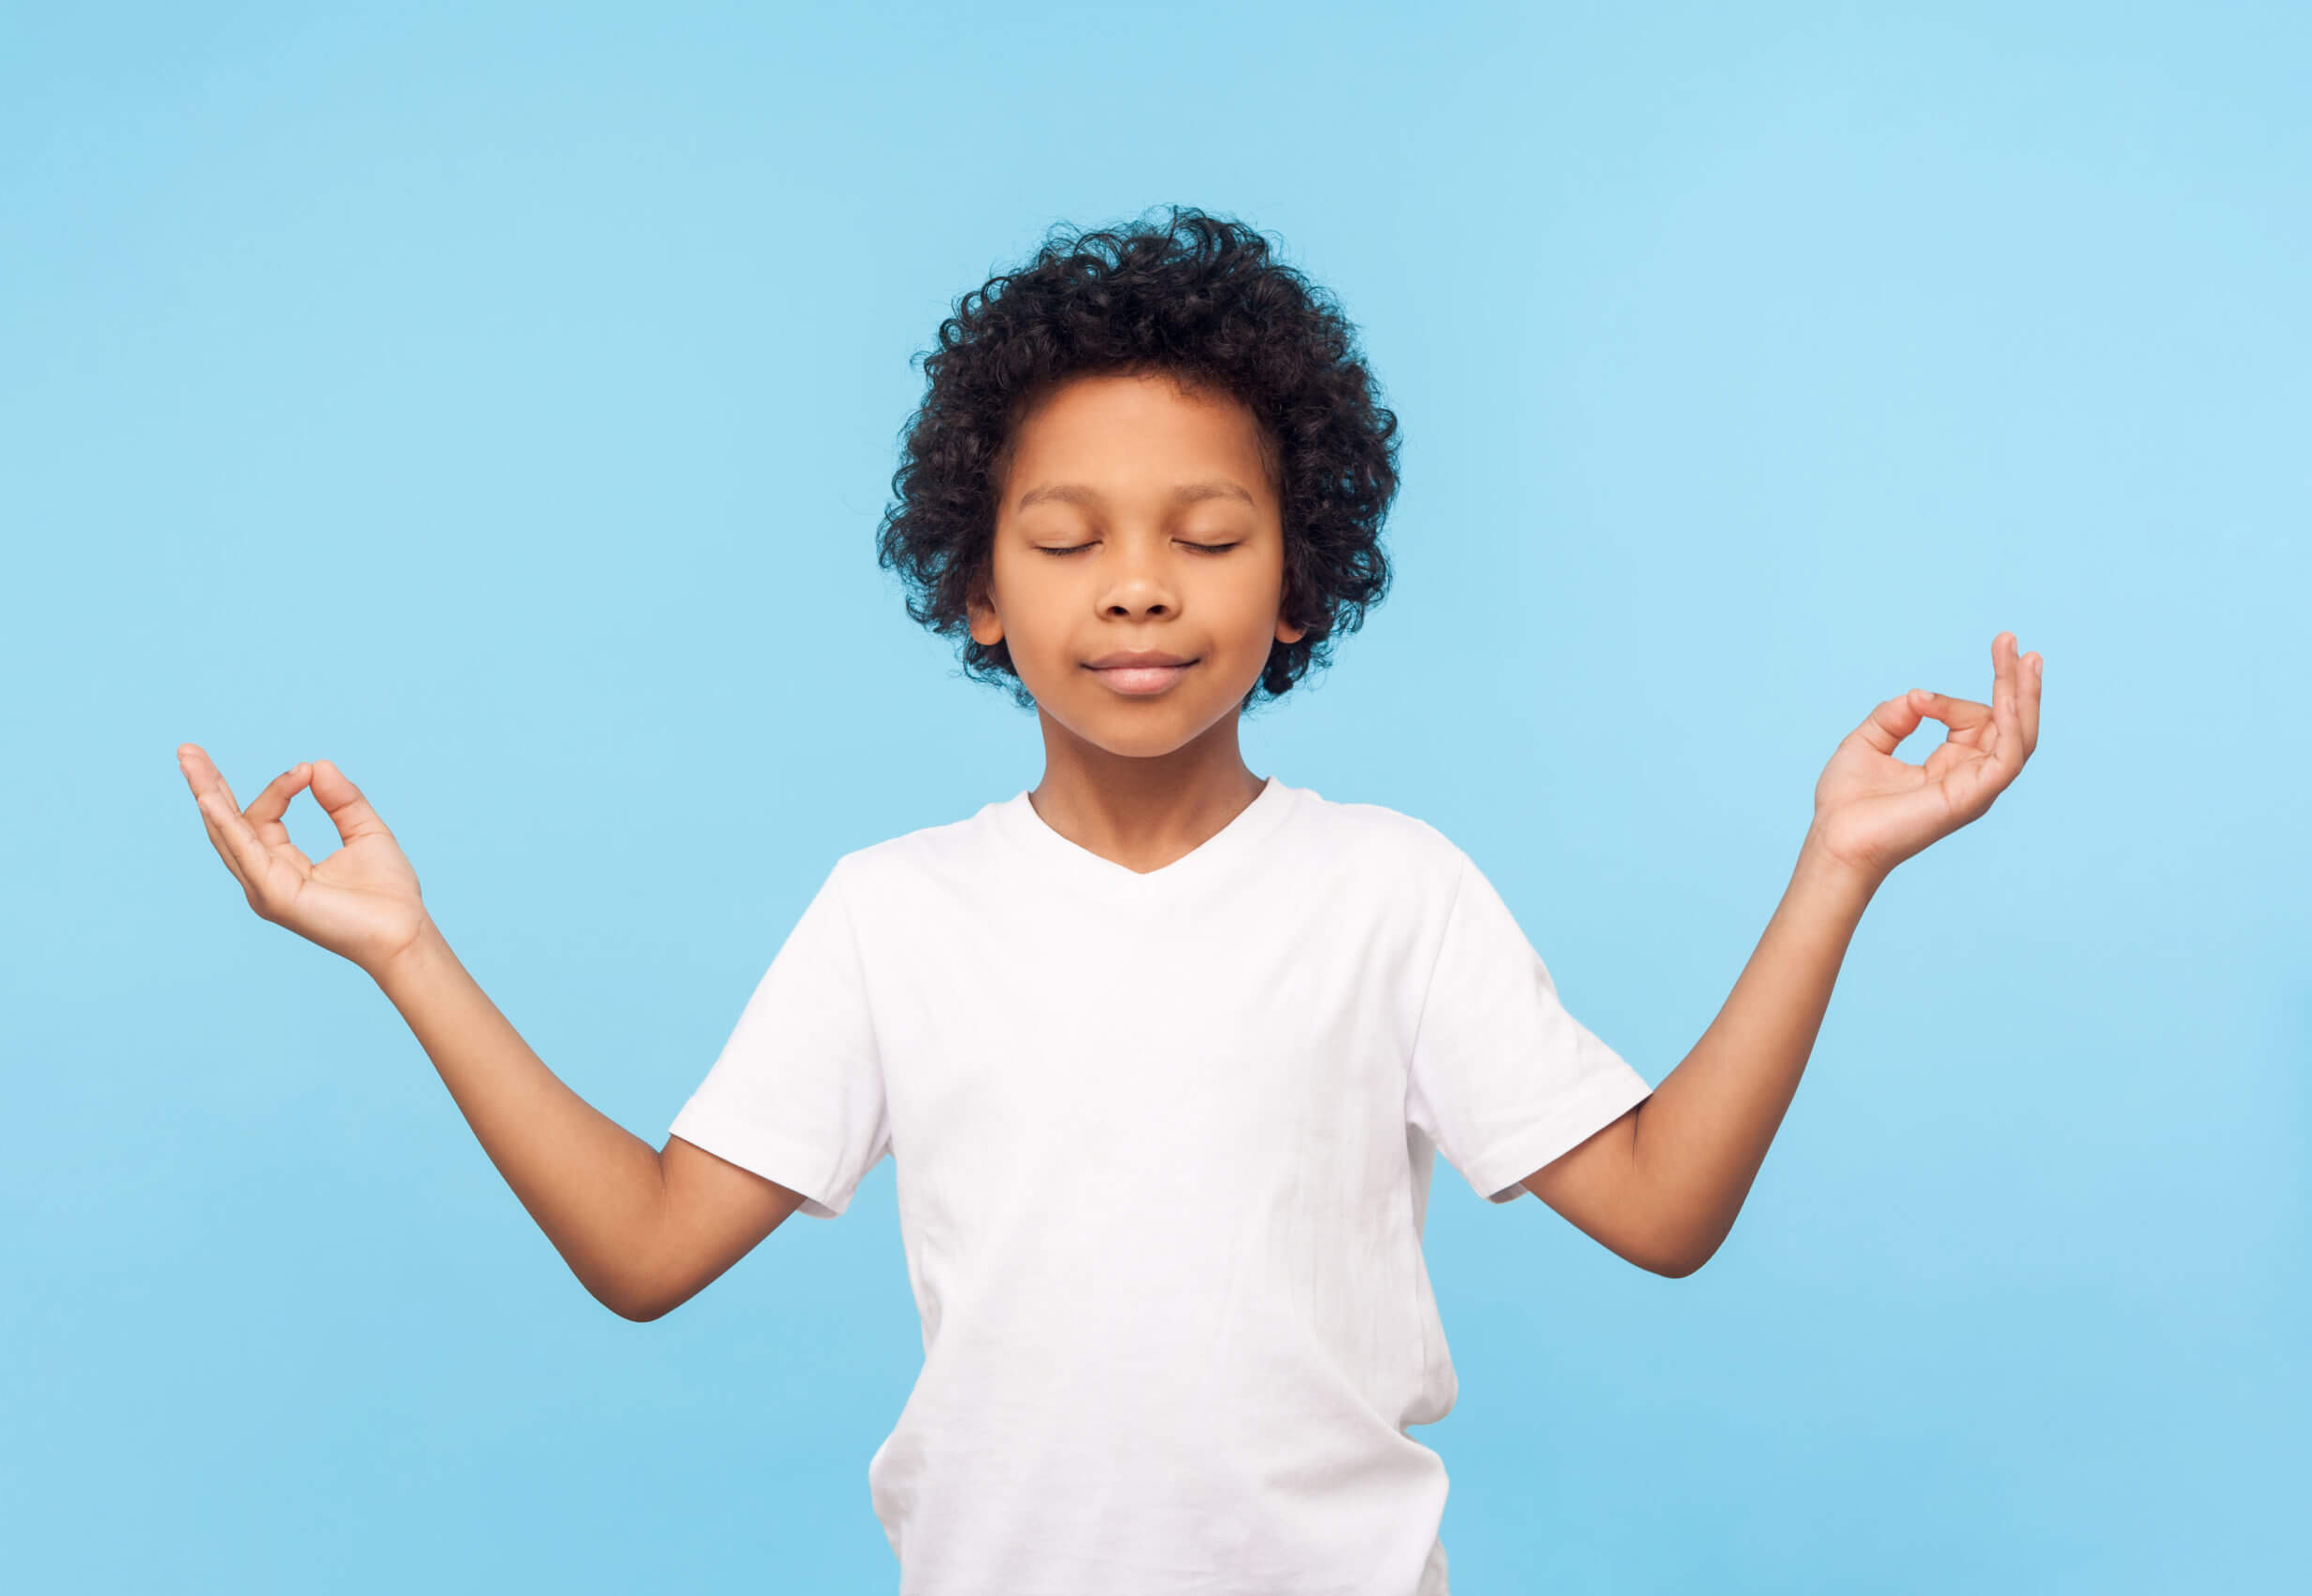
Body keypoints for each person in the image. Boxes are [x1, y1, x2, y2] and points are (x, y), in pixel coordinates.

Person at [178, 205, 2044, 1595]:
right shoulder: (892, 911)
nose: (1136, 588)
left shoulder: (1386, 889)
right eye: (1066, 541)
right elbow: (649, 1247)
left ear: (1295, 580)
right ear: (978, 591)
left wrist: (1835, 867)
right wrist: (405, 950)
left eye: (1206, 537)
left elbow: (1658, 1207)